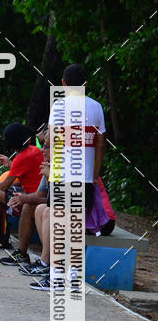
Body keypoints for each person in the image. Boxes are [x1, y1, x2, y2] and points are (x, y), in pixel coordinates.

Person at [48, 63, 106, 215]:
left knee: (56, 217)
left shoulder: (58, 105)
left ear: (63, 83)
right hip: (85, 177)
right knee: (76, 219)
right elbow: (100, 146)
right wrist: (94, 175)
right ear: (85, 84)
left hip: (61, 175)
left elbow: (51, 141)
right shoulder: (97, 107)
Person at [0, 138, 50, 268]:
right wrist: (23, 198)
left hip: (89, 217)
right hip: (46, 202)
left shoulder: (67, 168)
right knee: (32, 206)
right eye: (43, 146)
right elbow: (40, 195)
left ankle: (47, 263)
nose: (42, 150)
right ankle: (24, 254)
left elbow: (61, 201)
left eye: (47, 147)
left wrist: (24, 198)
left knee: (44, 209)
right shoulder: (47, 166)